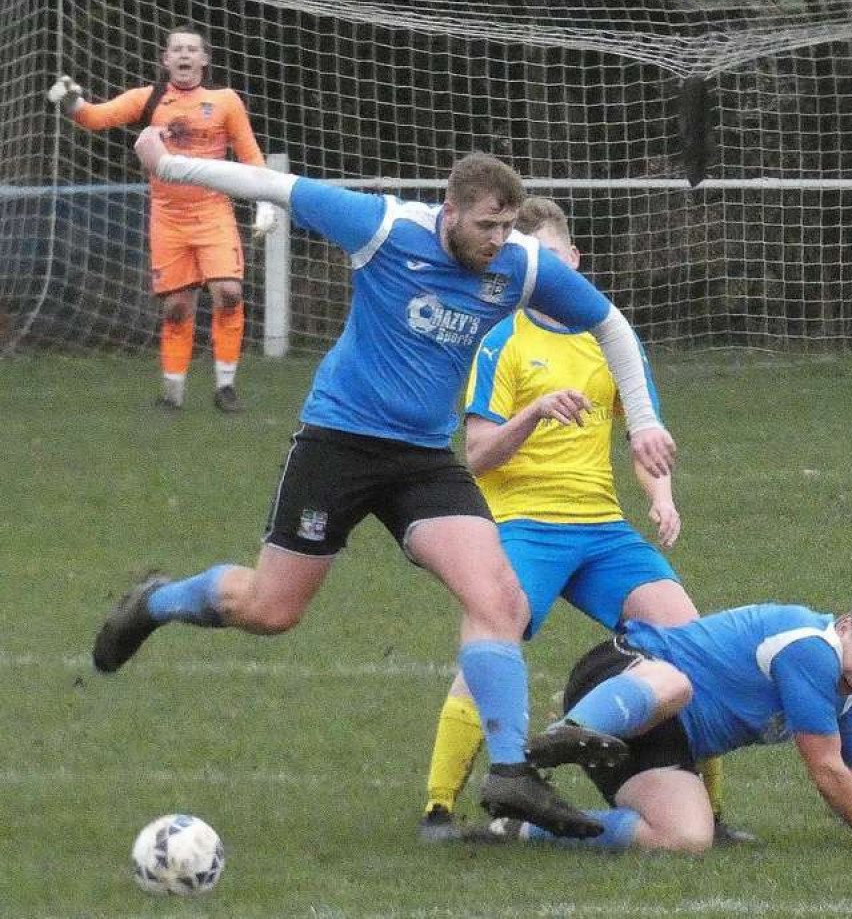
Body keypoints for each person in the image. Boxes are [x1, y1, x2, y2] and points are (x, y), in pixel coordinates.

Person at [91, 132, 677, 840]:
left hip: (422, 459)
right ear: (450, 212)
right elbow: (272, 187)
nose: (498, 239)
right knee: (271, 609)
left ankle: (511, 770)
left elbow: (611, 324)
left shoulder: (518, 266)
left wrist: (641, 422)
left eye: (506, 225)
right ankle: (157, 600)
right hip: (337, 443)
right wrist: (168, 164)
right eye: (486, 225)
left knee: (499, 597)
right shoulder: (383, 228)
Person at [419, 198, 749, 846]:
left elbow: (646, 440)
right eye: (528, 261)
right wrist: (535, 411)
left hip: (603, 532)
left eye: (549, 258)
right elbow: (479, 455)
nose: (541, 271)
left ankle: (712, 811)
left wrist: (662, 494)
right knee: (494, 634)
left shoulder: (613, 338)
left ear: (574, 261)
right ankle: (437, 810)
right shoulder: (502, 338)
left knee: (692, 642)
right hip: (523, 525)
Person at [468, 596, 852, 854]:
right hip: (625, 673)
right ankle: (568, 733)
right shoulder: (810, 647)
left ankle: (521, 829)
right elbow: (826, 769)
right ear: (844, 627)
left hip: (664, 733)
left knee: (684, 838)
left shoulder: (849, 696)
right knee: (677, 684)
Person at [47, 25, 275, 412]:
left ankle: (225, 387)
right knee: (176, 309)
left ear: (204, 59)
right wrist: (70, 103)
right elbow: (95, 117)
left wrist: (265, 203)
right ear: (165, 59)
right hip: (168, 218)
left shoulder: (225, 101)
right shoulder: (148, 98)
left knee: (230, 295)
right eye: (177, 50)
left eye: (192, 49)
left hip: (213, 213)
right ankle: (172, 394)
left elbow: (251, 155)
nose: (184, 55)